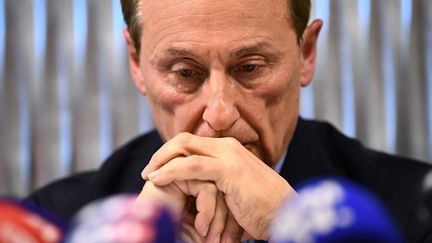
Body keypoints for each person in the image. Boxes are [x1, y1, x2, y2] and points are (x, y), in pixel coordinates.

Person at [26, 0, 432, 242]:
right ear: (136, 63)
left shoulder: (416, 209)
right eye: (184, 72)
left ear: (306, 52)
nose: (220, 114)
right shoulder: (54, 221)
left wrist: (291, 226)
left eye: (251, 67)